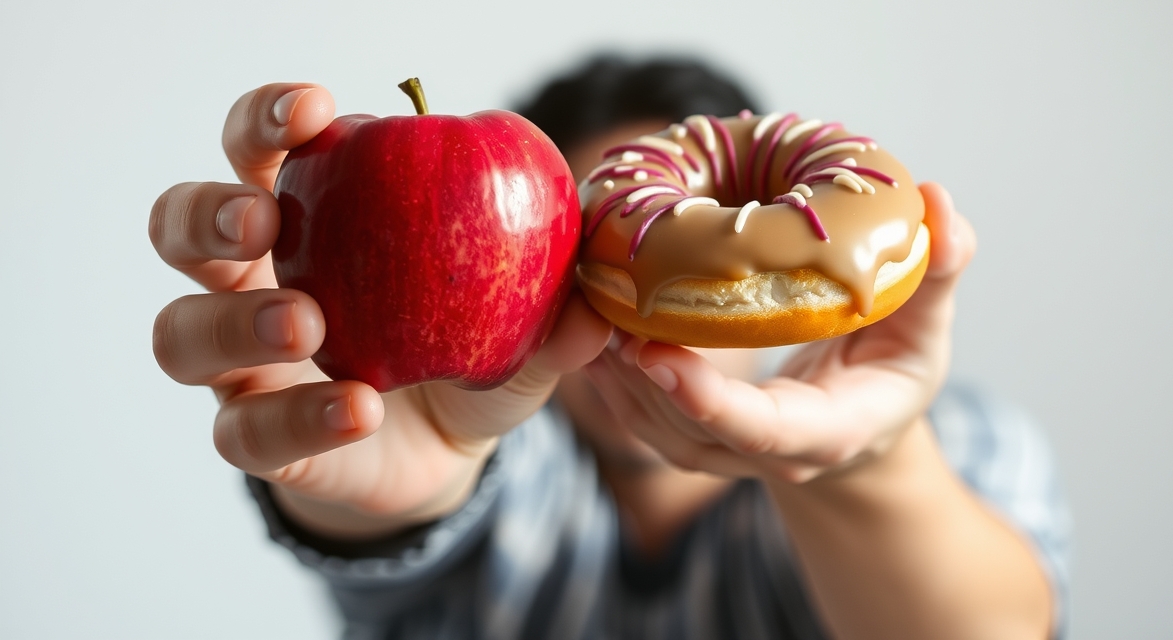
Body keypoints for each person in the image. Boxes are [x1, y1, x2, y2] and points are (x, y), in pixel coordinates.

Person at [149, 57, 1070, 640]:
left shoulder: (952, 439)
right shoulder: (501, 464)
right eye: (601, 248)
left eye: (694, 241)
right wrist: (404, 480)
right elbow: (403, 525)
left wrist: (860, 464)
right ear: (529, 269)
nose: (652, 323)